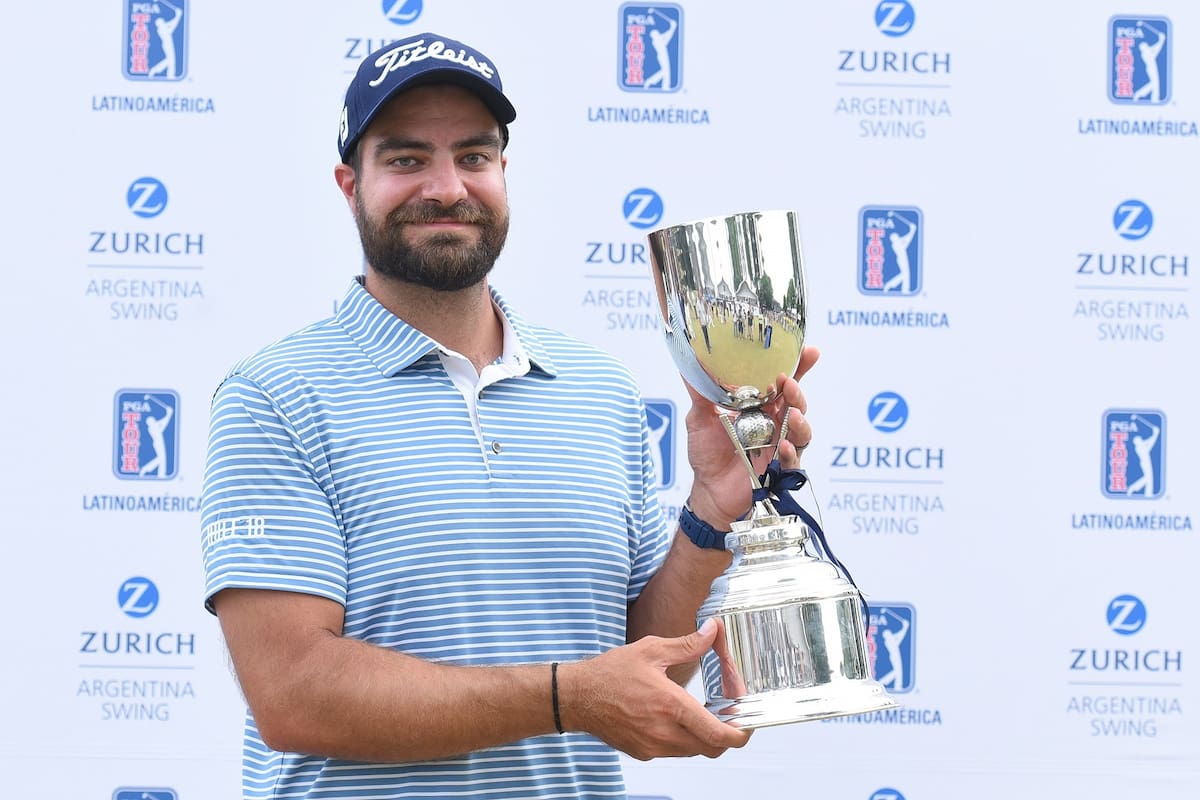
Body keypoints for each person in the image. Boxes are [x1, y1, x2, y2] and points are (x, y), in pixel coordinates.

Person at [200, 32, 818, 800]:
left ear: (503, 171)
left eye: (473, 155)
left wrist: (711, 511)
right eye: (404, 159)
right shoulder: (275, 395)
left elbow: (638, 660)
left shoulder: (598, 389)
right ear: (347, 184)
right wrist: (566, 696)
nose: (447, 187)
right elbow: (295, 695)